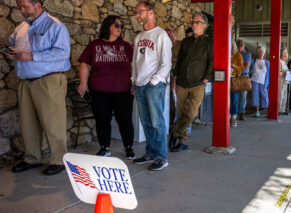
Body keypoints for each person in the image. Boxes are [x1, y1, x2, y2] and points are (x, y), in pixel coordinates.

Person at [3, 0, 70, 175]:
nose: (23, 11)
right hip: (26, 81)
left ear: (38, 4)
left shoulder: (55, 25)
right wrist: (11, 54)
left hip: (49, 81)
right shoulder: (20, 28)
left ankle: (59, 160)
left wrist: (32, 56)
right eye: (20, 7)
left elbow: (63, 52)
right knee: (28, 123)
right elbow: (13, 45)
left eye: (25, 6)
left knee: (53, 123)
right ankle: (32, 158)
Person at [77, 15, 135, 159]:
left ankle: (129, 147)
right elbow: (84, 64)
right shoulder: (94, 45)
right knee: (102, 119)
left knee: (125, 120)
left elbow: (136, 67)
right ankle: (105, 148)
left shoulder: (127, 46)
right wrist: (83, 83)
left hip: (123, 90)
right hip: (99, 91)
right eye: (116, 25)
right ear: (107, 26)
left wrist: (135, 84)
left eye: (121, 26)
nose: (119, 28)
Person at [131, 1, 172, 171]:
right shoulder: (139, 37)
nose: (137, 15)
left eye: (140, 12)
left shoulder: (161, 35)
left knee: (157, 122)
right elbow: (135, 61)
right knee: (146, 122)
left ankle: (162, 157)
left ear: (151, 13)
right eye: (136, 12)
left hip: (154, 85)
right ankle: (151, 152)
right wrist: (134, 79)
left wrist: (154, 81)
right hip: (140, 84)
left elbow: (166, 62)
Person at [170, 12, 213, 151]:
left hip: (198, 83)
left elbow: (211, 62)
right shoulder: (185, 42)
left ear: (204, 26)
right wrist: (175, 80)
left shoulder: (209, 42)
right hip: (182, 82)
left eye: (197, 22)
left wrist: (206, 78)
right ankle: (183, 142)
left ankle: (174, 132)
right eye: (193, 22)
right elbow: (180, 62)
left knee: (191, 114)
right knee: (181, 113)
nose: (194, 24)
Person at [165, 27, 181, 125]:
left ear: (174, 33)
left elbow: (181, 58)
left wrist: (170, 58)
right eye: (166, 34)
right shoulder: (166, 46)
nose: (168, 36)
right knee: (169, 99)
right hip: (166, 74)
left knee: (177, 99)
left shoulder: (180, 45)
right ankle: (170, 120)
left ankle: (177, 121)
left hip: (177, 74)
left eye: (169, 33)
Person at [249, 46, 270, 117]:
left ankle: (267, 110)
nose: (261, 53)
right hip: (254, 80)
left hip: (264, 82)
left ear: (264, 53)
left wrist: (269, 84)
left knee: (265, 96)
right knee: (255, 96)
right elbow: (249, 70)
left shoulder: (267, 62)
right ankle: (257, 111)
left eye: (262, 52)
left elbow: (269, 73)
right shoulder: (253, 61)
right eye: (259, 52)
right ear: (257, 53)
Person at [236, 39, 252, 120]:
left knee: (243, 96)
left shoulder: (247, 54)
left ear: (244, 46)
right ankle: (233, 113)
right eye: (238, 47)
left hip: (243, 76)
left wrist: (236, 67)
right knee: (234, 96)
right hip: (235, 76)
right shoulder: (234, 53)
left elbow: (246, 66)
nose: (239, 49)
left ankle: (241, 112)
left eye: (240, 47)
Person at [229, 41, 244, 127]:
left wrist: (234, 66)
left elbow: (241, 69)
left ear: (233, 46)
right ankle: (226, 117)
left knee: (234, 99)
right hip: (224, 80)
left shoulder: (238, 55)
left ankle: (233, 117)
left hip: (234, 79)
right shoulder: (224, 53)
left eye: (230, 44)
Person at [279, 48, 291, 115]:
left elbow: (285, 71)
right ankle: (278, 109)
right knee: (280, 95)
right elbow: (277, 72)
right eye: (286, 53)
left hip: (285, 81)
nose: (287, 54)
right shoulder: (279, 61)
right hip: (281, 81)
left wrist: (289, 72)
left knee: (284, 96)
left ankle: (282, 109)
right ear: (283, 54)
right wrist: (284, 73)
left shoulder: (285, 62)